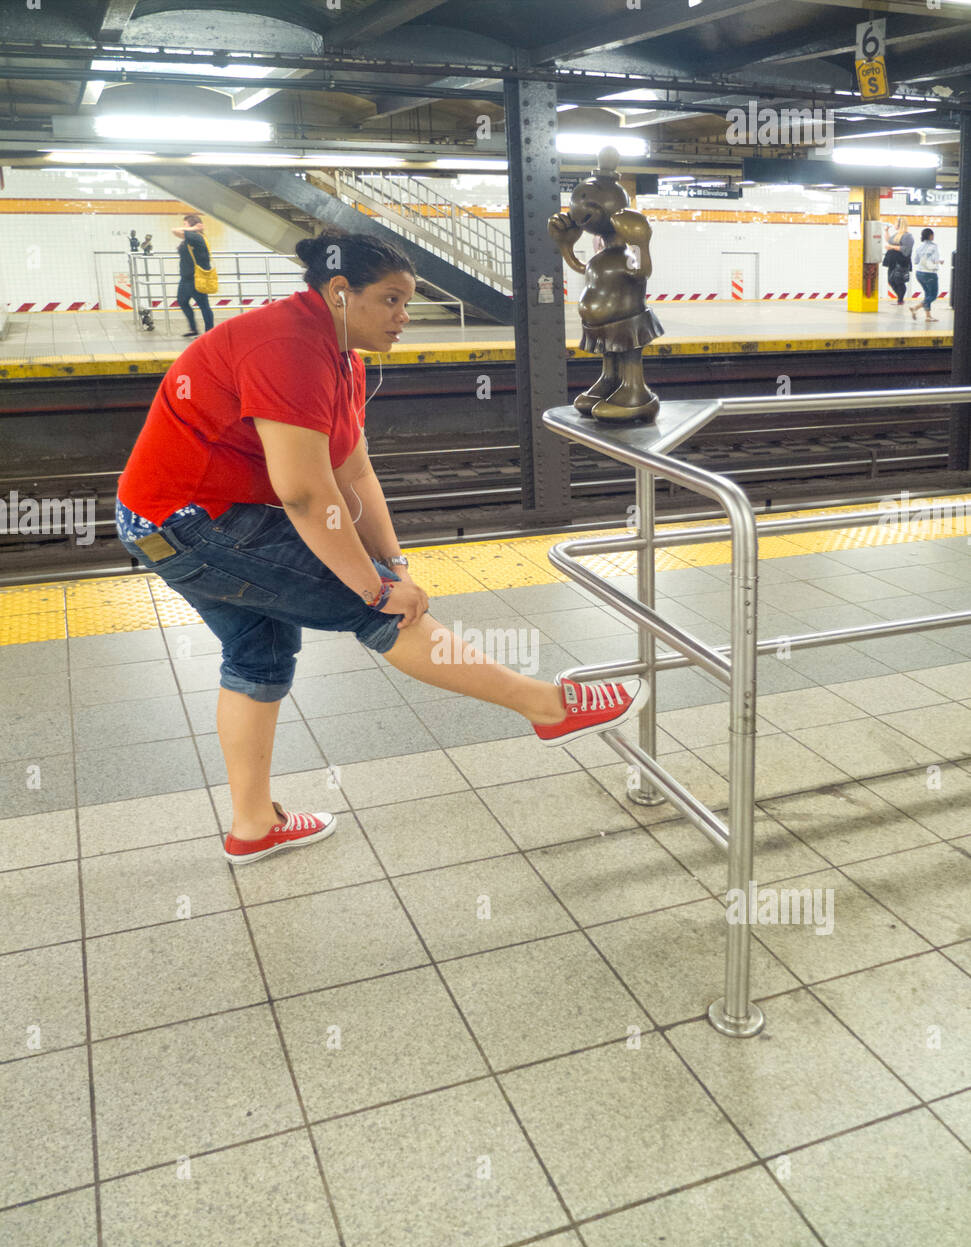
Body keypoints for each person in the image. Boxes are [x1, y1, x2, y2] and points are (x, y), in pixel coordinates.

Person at [114, 230, 646, 864]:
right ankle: (548, 708)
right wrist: (375, 589)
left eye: (408, 302)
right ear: (341, 292)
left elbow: (353, 474)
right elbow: (306, 496)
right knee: (384, 613)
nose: (404, 317)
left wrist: (393, 564)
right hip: (191, 521)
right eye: (391, 300)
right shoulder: (287, 348)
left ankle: (253, 826)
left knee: (259, 659)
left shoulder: (343, 355)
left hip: (176, 519)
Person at [171, 212, 215, 336]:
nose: (183, 226)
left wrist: (193, 228)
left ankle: (209, 332)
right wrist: (191, 228)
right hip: (186, 278)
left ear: (193, 225)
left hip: (196, 278)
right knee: (182, 301)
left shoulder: (196, 237)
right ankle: (194, 329)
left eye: (185, 224)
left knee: (203, 305)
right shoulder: (191, 238)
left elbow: (174, 230)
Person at [910, 227, 942, 323]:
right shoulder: (934, 246)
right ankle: (915, 307)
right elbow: (935, 260)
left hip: (919, 274)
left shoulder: (919, 247)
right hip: (930, 274)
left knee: (927, 295)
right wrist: (940, 261)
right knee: (933, 296)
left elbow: (915, 261)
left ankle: (928, 316)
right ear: (931, 235)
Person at [884, 217, 913, 307]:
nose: (894, 225)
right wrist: (886, 231)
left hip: (901, 261)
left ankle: (900, 299)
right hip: (892, 261)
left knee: (899, 280)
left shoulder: (907, 236)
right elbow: (889, 241)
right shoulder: (897, 235)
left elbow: (906, 249)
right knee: (891, 280)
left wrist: (892, 247)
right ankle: (900, 298)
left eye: (895, 223)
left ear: (900, 225)